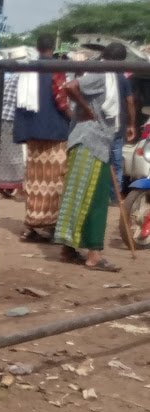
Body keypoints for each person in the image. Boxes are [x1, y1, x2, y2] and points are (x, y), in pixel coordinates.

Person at [54, 61, 121, 272]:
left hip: (91, 142)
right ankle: (94, 255)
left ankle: (68, 249)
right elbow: (70, 86)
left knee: (77, 196)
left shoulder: (105, 77)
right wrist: (86, 109)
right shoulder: (103, 75)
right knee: (96, 200)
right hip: (91, 143)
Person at [13, 33, 72, 243]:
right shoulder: (56, 68)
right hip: (54, 131)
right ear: (54, 47)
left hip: (32, 131)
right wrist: (71, 117)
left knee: (34, 178)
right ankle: (49, 225)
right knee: (54, 179)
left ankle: (31, 224)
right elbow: (61, 98)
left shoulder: (27, 68)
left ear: (37, 48)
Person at [102, 42, 136, 205]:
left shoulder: (98, 75)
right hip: (117, 126)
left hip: (100, 125)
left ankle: (99, 195)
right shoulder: (122, 78)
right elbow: (129, 102)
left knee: (99, 160)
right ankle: (115, 197)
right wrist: (131, 125)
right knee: (116, 163)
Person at [0, 72, 25, 198]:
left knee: (2, 155)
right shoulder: (23, 79)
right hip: (12, 118)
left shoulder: (10, 78)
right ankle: (19, 188)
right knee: (15, 155)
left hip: (2, 116)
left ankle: (2, 186)